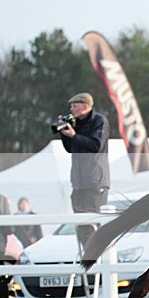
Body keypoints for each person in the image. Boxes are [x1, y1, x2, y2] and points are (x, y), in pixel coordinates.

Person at [57, 92, 110, 249]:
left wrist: (74, 135)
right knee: (81, 225)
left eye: (75, 106)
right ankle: (88, 259)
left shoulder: (100, 121)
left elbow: (95, 145)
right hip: (78, 183)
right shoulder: (76, 123)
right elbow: (70, 148)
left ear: (85, 107)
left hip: (95, 183)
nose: (72, 109)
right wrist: (65, 134)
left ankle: (97, 258)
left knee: (93, 223)